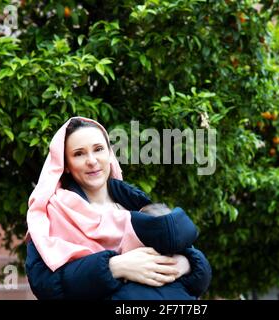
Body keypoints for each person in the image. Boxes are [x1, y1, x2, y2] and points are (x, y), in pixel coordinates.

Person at [25, 117, 212, 300]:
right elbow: (44, 285)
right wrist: (115, 267)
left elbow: (199, 274)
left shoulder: (136, 204)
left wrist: (186, 264)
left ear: (109, 154)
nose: (92, 160)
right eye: (79, 154)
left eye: (98, 149)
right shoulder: (52, 216)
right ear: (65, 165)